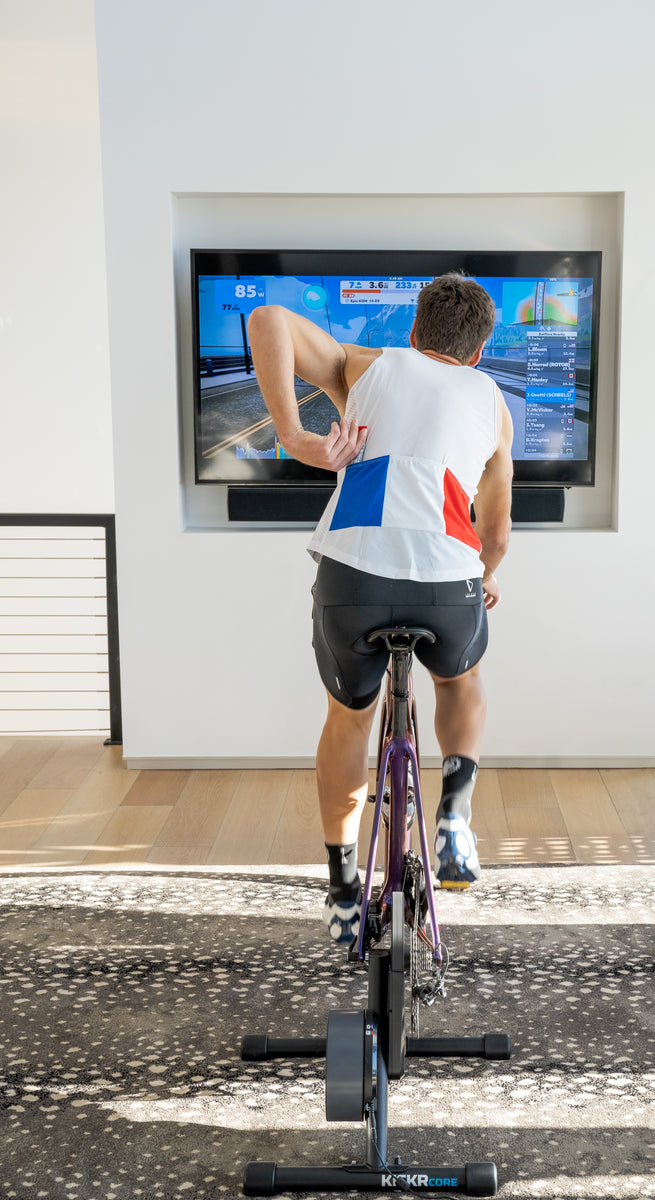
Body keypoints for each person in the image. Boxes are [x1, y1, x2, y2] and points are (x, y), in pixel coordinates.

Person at [248, 274, 513, 943]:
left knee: (347, 718)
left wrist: (297, 437)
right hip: (448, 583)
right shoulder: (494, 404)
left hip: (355, 576)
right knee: (460, 678)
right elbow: (499, 532)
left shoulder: (368, 364)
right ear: (479, 353)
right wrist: (484, 577)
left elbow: (269, 320)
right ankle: (455, 812)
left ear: (414, 333)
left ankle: (342, 889)